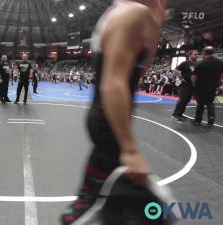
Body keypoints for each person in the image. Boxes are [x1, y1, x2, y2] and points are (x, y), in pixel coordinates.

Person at [60, 0, 167, 224]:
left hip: (102, 123)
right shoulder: (132, 14)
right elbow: (114, 84)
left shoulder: (118, 13)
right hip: (110, 126)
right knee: (155, 214)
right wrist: (130, 150)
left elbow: (139, 66)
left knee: (96, 203)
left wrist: (155, 23)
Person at [191, 46, 223, 127]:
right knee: (210, 103)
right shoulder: (220, 62)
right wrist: (217, 85)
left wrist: (194, 86)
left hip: (200, 86)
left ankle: (198, 121)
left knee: (200, 104)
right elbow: (221, 75)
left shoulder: (200, 63)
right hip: (212, 86)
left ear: (204, 53)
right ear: (213, 52)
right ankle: (211, 120)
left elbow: (194, 76)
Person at [171, 50, 199, 121]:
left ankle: (180, 114)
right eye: (195, 54)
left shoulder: (197, 64)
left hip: (191, 85)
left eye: (197, 54)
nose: (197, 55)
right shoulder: (185, 63)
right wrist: (181, 78)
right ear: (190, 55)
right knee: (183, 99)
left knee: (187, 100)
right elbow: (176, 70)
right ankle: (175, 114)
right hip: (184, 85)